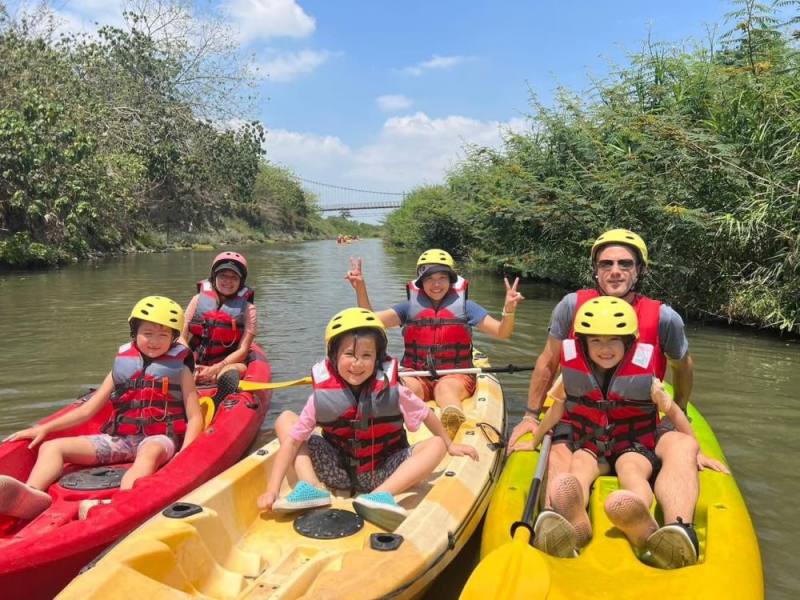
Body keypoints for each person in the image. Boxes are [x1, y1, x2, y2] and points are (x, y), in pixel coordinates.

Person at [508, 228, 726, 568]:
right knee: (566, 462)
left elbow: (683, 367)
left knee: (681, 449)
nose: (615, 270)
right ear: (595, 269)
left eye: (625, 263)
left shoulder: (663, 317)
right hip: (583, 426)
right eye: (606, 263)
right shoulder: (571, 307)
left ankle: (678, 530)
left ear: (639, 270)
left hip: (638, 426)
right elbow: (548, 362)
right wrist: (531, 417)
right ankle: (566, 520)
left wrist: (678, 415)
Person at [256, 307, 478, 531]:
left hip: (383, 473)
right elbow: (292, 442)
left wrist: (450, 445)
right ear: (333, 357)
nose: (357, 363)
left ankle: (380, 497)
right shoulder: (320, 399)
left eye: (366, 355)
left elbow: (427, 415)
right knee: (285, 419)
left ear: (377, 358)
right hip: (336, 470)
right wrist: (272, 489)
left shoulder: (395, 391)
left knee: (437, 443)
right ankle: (311, 487)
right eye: (349, 354)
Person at [0, 296, 202, 521]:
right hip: (121, 439)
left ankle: (119, 504)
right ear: (134, 334)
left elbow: (194, 418)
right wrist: (44, 428)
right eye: (148, 333)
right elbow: (88, 411)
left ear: (174, 338)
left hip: (160, 438)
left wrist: (185, 455)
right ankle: (32, 496)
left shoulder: (180, 371)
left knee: (149, 453)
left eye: (163, 335)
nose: (154, 341)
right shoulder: (122, 367)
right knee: (52, 447)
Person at [345, 249, 524, 438]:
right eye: (429, 278)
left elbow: (502, 332)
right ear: (420, 282)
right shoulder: (408, 307)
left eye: (442, 278)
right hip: (417, 374)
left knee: (444, 389)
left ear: (451, 280)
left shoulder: (466, 307)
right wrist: (360, 287)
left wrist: (508, 310)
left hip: (456, 375)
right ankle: (385, 429)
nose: (436, 284)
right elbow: (369, 321)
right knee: (403, 390)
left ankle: (452, 420)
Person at [182, 251, 259, 400]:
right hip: (196, 360)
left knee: (232, 371)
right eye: (223, 276)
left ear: (241, 281)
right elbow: (181, 337)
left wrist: (217, 368)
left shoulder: (249, 309)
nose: (228, 281)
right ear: (214, 277)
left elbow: (243, 350)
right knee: (176, 369)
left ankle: (221, 399)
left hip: (227, 362)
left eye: (234, 277)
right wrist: (191, 364)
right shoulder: (197, 300)